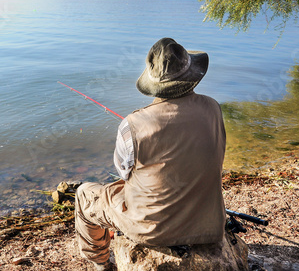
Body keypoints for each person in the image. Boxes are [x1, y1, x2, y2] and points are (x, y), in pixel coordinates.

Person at [74, 38, 227, 270]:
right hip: (211, 226)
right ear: (192, 75)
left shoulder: (133, 123)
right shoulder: (213, 107)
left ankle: (101, 264)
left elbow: (124, 173)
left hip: (152, 231)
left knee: (84, 194)